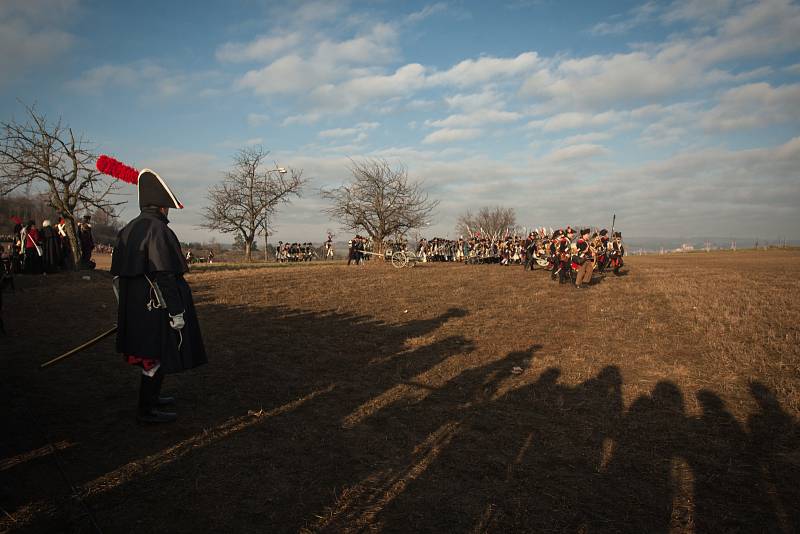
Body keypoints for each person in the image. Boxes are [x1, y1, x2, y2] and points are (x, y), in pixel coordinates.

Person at [108, 163, 207, 424]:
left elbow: (117, 277)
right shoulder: (157, 230)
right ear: (161, 205)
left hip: (136, 307)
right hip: (155, 307)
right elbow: (165, 275)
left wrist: (124, 309)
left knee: (155, 355)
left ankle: (152, 400)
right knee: (153, 356)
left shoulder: (128, 228)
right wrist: (176, 312)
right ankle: (146, 410)